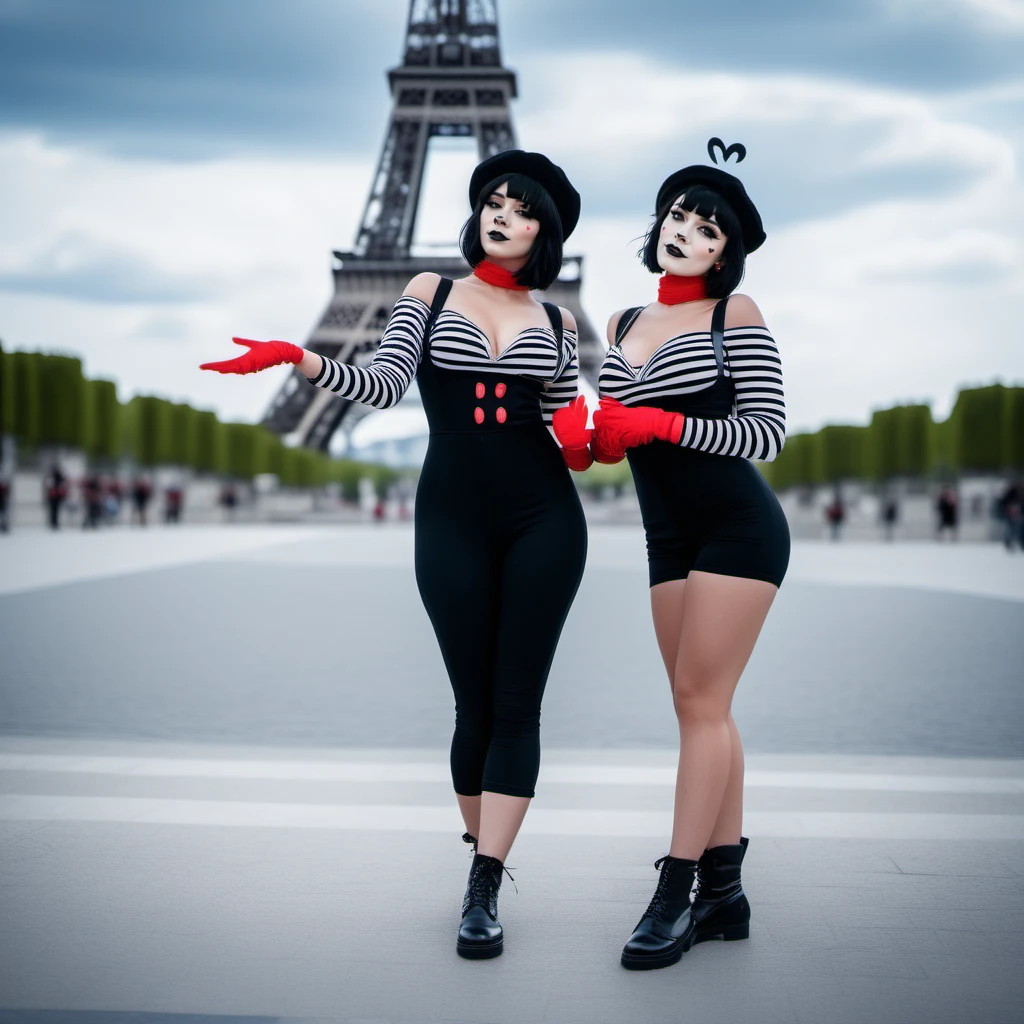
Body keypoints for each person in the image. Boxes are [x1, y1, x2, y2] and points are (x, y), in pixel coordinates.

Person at [202, 151, 588, 960]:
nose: (499, 212)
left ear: (543, 232)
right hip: (450, 514)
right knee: (472, 704)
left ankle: (485, 880)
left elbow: (570, 433)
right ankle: (479, 858)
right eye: (492, 199)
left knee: (518, 705)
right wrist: (297, 357)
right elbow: (382, 384)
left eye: (519, 208)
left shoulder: (556, 323)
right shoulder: (428, 290)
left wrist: (622, 430)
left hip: (545, 515)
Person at [557, 143, 788, 970]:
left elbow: (763, 431)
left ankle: (678, 891)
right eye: (679, 218)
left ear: (727, 253)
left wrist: (661, 424)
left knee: (699, 700)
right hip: (668, 536)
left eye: (708, 228)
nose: (686, 232)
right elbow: (612, 441)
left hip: (738, 528)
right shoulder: (620, 323)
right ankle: (727, 893)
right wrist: (584, 445)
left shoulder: (737, 316)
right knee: (703, 708)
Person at [44, 464, 68, 530]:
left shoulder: (59, 477)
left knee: (56, 510)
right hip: (53, 496)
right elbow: (48, 486)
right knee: (53, 510)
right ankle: (53, 523)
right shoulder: (51, 476)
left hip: (57, 496)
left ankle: (55, 523)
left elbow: (63, 486)